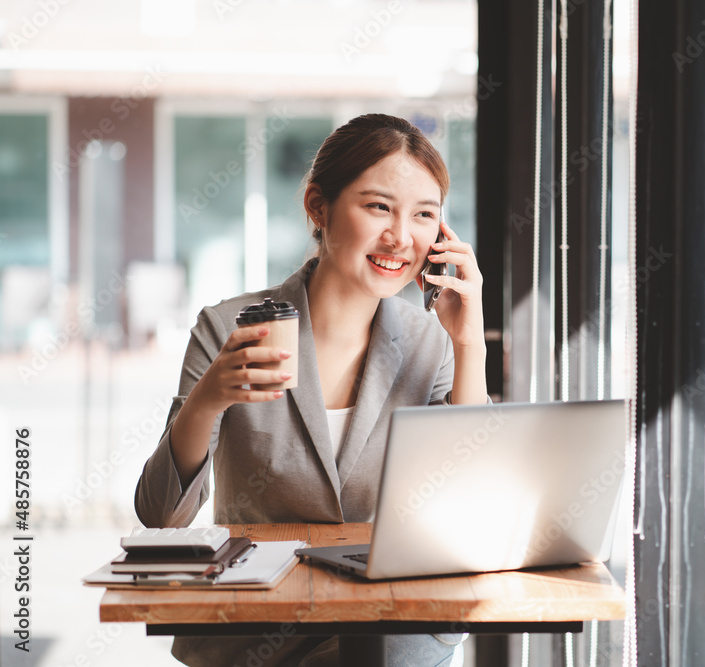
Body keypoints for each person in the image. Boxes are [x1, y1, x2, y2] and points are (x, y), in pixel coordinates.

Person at [135, 114, 486, 666]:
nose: (400, 236)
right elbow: (161, 516)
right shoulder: (230, 329)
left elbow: (470, 505)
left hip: (392, 624)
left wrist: (470, 346)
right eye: (378, 207)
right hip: (258, 628)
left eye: (423, 215)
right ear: (318, 209)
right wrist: (208, 399)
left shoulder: (432, 343)